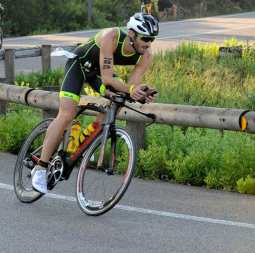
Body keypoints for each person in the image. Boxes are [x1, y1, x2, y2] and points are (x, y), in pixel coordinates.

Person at [30, 13, 160, 194]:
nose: (148, 44)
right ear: (132, 33)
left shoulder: (146, 56)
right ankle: (41, 169)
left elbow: (130, 87)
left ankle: (88, 140)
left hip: (97, 73)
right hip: (79, 67)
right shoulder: (111, 37)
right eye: (145, 38)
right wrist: (131, 90)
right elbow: (108, 80)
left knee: (119, 100)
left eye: (152, 39)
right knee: (67, 114)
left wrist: (141, 94)